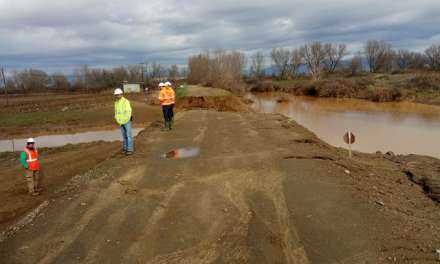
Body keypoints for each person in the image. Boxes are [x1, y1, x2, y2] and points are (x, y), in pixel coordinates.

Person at [114, 88, 134, 155]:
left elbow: (129, 112)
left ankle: (130, 149)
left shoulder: (126, 101)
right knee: (124, 136)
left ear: (121, 94)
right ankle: (125, 148)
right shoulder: (116, 103)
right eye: (116, 95)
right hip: (120, 122)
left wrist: (126, 120)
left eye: (118, 94)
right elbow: (116, 113)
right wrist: (117, 120)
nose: (117, 96)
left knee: (128, 136)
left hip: (127, 121)